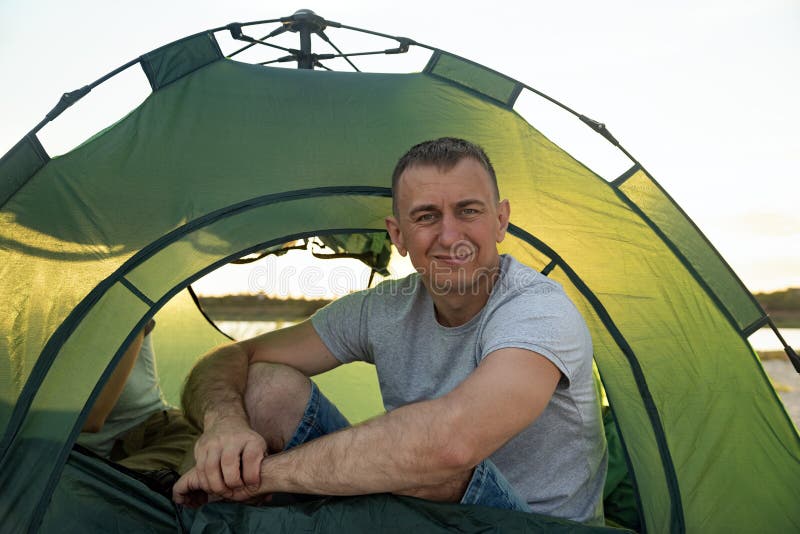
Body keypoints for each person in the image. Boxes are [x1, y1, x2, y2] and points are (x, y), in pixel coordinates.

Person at [173, 138, 607, 524]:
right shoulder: (384, 309)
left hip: (536, 525)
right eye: (426, 216)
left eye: (468, 211)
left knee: (419, 456)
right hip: (425, 513)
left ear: (500, 221)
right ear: (398, 235)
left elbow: (450, 446)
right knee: (266, 386)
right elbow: (228, 359)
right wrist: (223, 424)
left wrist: (260, 477)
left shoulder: (538, 308)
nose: (450, 235)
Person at [78, 319, 198, 473]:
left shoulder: (121, 307)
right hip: (87, 458)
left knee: (114, 486)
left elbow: (91, 417)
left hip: (160, 434)